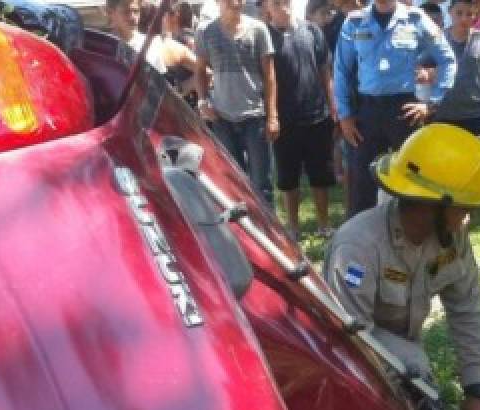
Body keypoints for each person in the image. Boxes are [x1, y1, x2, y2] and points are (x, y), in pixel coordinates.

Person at [323, 124, 480, 410]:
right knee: (416, 374)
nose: (470, 215)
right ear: (433, 205)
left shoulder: (451, 236)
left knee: (414, 368)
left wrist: (476, 387)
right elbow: (348, 339)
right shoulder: (358, 247)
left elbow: (467, 306)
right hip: (355, 348)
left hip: (402, 344)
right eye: (464, 207)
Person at [334, 0, 458, 216]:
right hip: (368, 110)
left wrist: (432, 103)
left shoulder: (416, 19)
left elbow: (447, 60)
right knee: (361, 181)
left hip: (404, 109)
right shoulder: (355, 22)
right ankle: (358, 240)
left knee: (414, 176)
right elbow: (342, 71)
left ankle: (419, 229)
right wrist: (345, 115)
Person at [194, 0, 279, 206]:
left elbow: (269, 76)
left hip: (254, 116)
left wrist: (273, 116)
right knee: (232, 182)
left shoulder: (258, 30)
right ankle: (241, 232)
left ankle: (269, 232)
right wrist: (203, 101)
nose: (235, 2)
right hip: (222, 117)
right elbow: (199, 70)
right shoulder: (205, 31)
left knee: (262, 183)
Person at [265, 0, 337, 239]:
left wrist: (333, 105)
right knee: (288, 178)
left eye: (285, 1)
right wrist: (272, 116)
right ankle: (293, 228)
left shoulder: (312, 30)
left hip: (317, 116)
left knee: (321, 175)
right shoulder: (265, 36)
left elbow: (325, 69)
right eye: (276, 3)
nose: (283, 6)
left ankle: (324, 224)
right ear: (267, 8)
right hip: (285, 122)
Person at [434, 0, 480, 140]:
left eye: (469, 14)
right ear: (450, 12)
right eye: (459, 13)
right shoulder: (438, 40)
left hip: (478, 116)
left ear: (475, 14)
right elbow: (421, 68)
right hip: (444, 114)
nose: (464, 19)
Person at [139, 1, 200, 101]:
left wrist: (178, 91)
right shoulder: (170, 40)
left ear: (174, 16)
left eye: (163, 16)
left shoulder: (183, 40)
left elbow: (205, 72)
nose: (162, 21)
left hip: (187, 104)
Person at [106, 0, 169, 74]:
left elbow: (159, 80)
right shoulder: (103, 46)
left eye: (136, 11)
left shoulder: (151, 44)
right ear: (110, 13)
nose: (132, 17)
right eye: (126, 12)